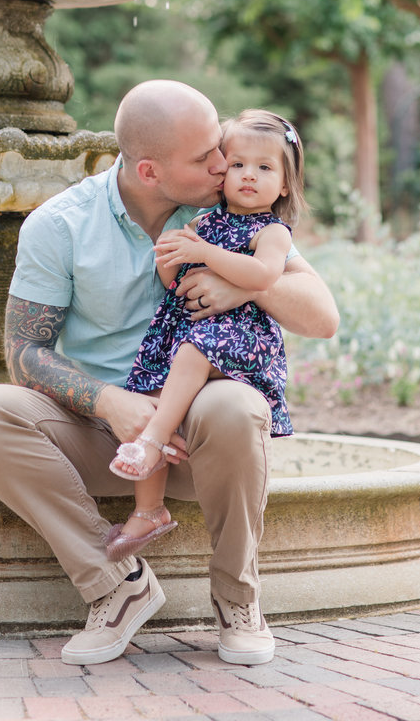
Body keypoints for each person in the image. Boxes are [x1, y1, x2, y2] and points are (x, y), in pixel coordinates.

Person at [0, 80, 339, 667]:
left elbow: (322, 315)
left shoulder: (230, 210)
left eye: (222, 150)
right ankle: (116, 584)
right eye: (207, 156)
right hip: (103, 438)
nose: (224, 164)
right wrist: (110, 402)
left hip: (195, 440)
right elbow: (24, 353)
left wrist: (238, 289)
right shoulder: (60, 226)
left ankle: (239, 599)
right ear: (151, 171)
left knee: (236, 405)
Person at [106, 110, 304, 564]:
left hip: (241, 337)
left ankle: (152, 441)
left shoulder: (270, 232)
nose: (248, 176)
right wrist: (170, 256)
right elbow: (175, 282)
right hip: (187, 330)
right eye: (237, 165)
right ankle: (148, 509)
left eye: (264, 168)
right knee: (151, 389)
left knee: (195, 351)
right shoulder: (203, 220)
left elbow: (262, 274)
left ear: (285, 185)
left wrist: (203, 252)